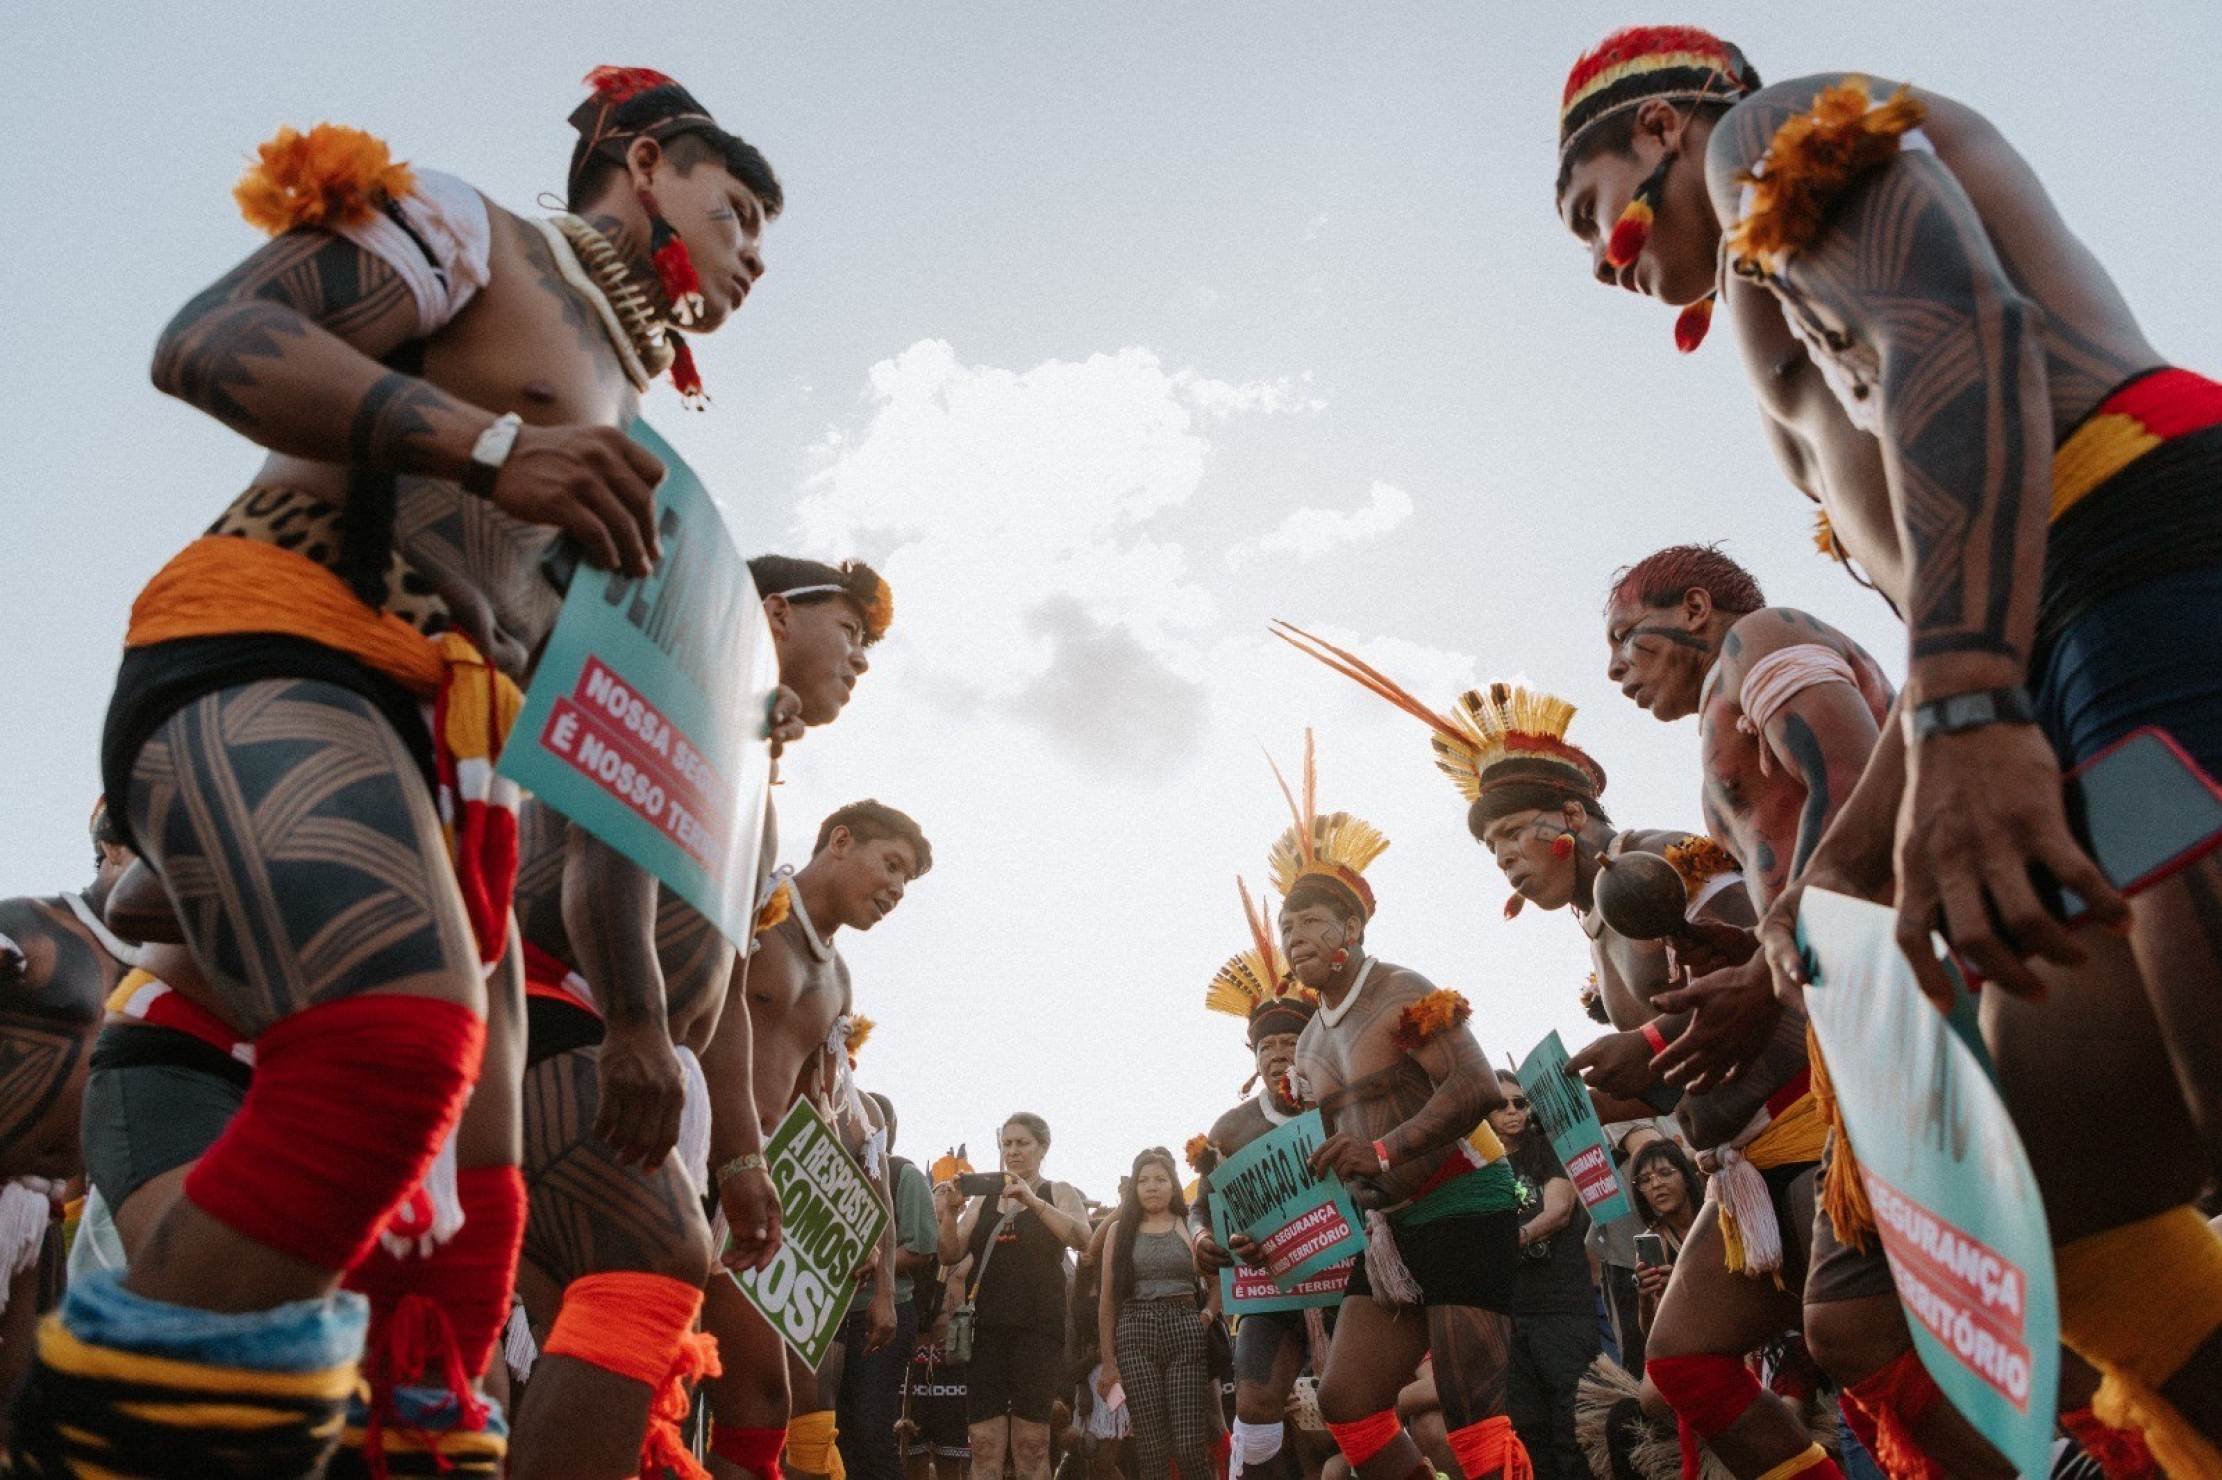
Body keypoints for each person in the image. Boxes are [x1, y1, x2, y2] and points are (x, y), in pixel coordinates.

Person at [17, 61, 778, 1476]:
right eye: (736, 211)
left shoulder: (640, 442)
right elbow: (210, 341)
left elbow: (601, 730)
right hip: (279, 642)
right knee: (385, 1057)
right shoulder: (472, 231)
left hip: (454, 765)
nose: (752, 258)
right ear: (648, 163)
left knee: (462, 1218)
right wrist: (492, 448)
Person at [1553, 23, 2222, 1467]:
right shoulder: (1761, 311)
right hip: (2063, 635)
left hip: (2150, 560)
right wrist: (1807, 907)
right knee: (2036, 1197)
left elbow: (1952, 329)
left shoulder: (1764, 141)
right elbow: (1941, 624)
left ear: (1660, 131)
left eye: (1586, 204)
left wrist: (1978, 699)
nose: (1598, 258)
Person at [1268, 633, 1833, 1475]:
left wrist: (1641, 1044)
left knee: (1855, 1339)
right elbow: (1680, 1071)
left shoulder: (1659, 860)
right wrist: (1590, 1097)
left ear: (1569, 817)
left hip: (1812, 1129)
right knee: (1680, 1367)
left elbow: (1783, 969)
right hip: (1738, 1163)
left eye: (1509, 840)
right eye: (1490, 851)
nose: (1503, 864)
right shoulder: (1594, 925)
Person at [1598, 545, 2005, 1476]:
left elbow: (1860, 778)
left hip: (1923, 987)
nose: (1614, 667)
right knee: (1828, 1330)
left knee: (1885, 1317)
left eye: (1625, 637)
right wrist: (1750, 959)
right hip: (1861, 1015)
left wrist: (1765, 964)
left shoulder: (1760, 642)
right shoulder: (1723, 717)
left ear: (1694, 609)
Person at [1251, 731, 1529, 1480]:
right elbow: (1325, 1162)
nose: (1295, 935)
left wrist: (1382, 1151)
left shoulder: (1403, 991)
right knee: (1347, 1404)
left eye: (1311, 921)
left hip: (1466, 1202)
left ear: (1352, 929)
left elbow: (1473, 1089)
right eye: (1286, 927)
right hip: (1387, 1234)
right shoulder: (1306, 1043)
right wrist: (1271, 1240)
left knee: (1475, 1413)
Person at [701, 800, 933, 1480]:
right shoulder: (748, 904)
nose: (895, 890)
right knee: (645, 1370)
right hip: (685, 1161)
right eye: (890, 865)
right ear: (839, 841)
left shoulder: (839, 979)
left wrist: (845, 1222)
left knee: (762, 1403)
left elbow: (814, 1105)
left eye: (907, 883)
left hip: (758, 1197)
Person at [1189, 879, 1323, 1480]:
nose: (1277, 1054)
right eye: (1265, 1045)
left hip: (1350, 1279)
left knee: (1355, 1399)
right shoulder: (1233, 1127)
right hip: (1269, 1287)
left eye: (1290, 1041)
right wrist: (1202, 1241)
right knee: (1254, 1402)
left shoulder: (1342, 1103)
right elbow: (1202, 1207)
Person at [934, 1113, 1093, 1480]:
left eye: (1022, 1143)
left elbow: (1082, 1238)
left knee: (1032, 1444)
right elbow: (949, 1253)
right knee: (984, 1443)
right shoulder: (984, 1200)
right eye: (1007, 1144)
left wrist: (1031, 1199)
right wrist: (951, 1212)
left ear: (1042, 1148)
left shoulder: (1058, 1191)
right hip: (986, 1331)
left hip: (1038, 1330)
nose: (1013, 1151)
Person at [1489, 1071, 1599, 1480]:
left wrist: (1510, 1240)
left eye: (1521, 1102)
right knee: (1527, 1429)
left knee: (1573, 1426)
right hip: (1510, 1311)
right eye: (1502, 1105)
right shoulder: (1477, 1164)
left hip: (1561, 1305)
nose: (1514, 1111)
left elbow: (1558, 1212)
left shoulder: (1549, 1148)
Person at [838, 1092, 943, 1480]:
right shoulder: (831, 1173)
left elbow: (923, 1247)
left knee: (870, 1427)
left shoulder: (902, 1174)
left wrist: (875, 1261)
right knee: (841, 1430)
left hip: (884, 1311)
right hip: (834, 1318)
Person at [1097, 1148, 1211, 1480]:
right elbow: (1107, 1301)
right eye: (1143, 1180)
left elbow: (1217, 1281)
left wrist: (1205, 1316)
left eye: (1160, 1179)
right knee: (1151, 1444)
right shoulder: (1119, 1232)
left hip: (1184, 1325)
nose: (1152, 1186)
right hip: (1134, 1330)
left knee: (1190, 1443)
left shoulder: (1190, 1223)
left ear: (1173, 1185)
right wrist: (1108, 1362)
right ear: (1133, 1188)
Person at [1626, 1142, 1704, 1337]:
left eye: (1665, 1173)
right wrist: (1645, 1299)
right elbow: (1653, 1333)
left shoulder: (1718, 1219)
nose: (1656, 1184)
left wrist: (1683, 1287)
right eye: (1644, 1180)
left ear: (1686, 1177)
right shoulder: (1654, 1242)